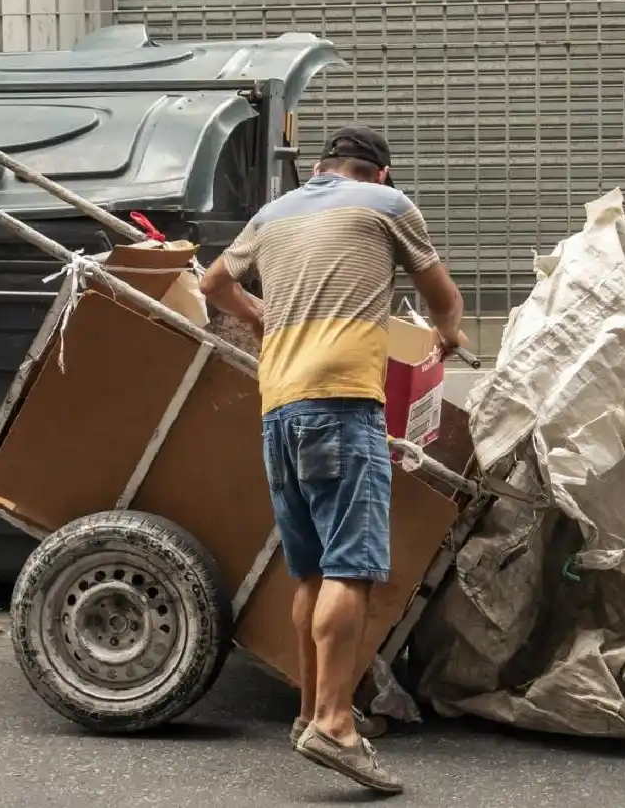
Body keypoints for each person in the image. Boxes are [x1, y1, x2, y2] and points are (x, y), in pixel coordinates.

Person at [200, 126, 466, 795]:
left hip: (279, 408)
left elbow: (212, 283)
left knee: (312, 572)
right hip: (342, 405)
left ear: (320, 169)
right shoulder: (387, 205)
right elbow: (442, 297)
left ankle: (309, 713)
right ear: (378, 173)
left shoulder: (272, 214)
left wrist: (260, 315)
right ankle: (336, 722)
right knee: (353, 568)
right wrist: (448, 335)